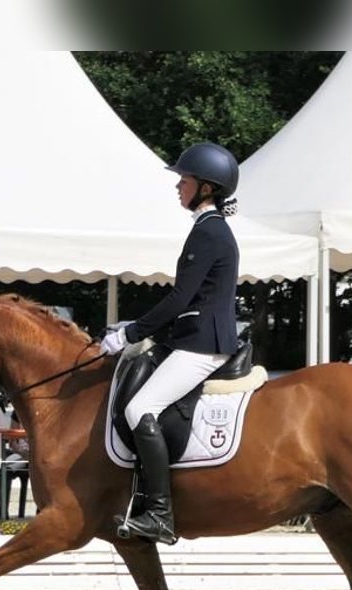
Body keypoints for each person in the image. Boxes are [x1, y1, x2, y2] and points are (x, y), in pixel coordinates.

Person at [98, 141, 241, 544]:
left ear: (207, 187)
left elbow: (181, 299)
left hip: (203, 343)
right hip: (193, 336)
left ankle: (159, 513)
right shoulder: (206, 229)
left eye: (185, 179)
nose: (178, 186)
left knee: (140, 406)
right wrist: (138, 326)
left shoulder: (210, 232)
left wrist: (130, 334)